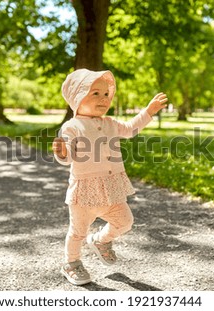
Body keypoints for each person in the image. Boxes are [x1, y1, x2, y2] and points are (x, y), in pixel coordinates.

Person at [52, 68, 167, 285]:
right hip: (84, 191)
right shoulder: (72, 126)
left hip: (110, 188)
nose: (103, 99)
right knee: (77, 232)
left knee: (125, 221)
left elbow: (131, 128)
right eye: (95, 93)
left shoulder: (111, 123)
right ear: (77, 97)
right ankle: (71, 262)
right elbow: (67, 157)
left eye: (106, 94)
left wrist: (148, 112)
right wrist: (61, 152)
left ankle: (100, 240)